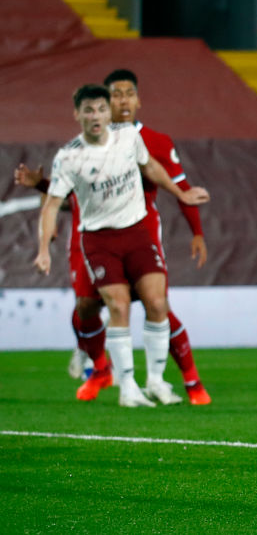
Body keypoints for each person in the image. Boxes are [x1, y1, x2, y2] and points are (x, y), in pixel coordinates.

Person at [15, 68, 213, 406]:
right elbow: (58, 203)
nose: (113, 105)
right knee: (91, 306)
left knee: (158, 304)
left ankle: (176, 381)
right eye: (93, 107)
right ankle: (108, 373)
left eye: (123, 96)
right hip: (96, 238)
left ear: (134, 101)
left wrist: (186, 207)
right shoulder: (70, 155)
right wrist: (42, 243)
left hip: (139, 231)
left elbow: (154, 170)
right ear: (79, 113)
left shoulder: (139, 139)